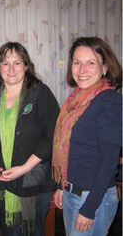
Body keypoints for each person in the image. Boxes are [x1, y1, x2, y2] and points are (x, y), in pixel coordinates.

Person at [0, 42, 60, 236]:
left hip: (34, 180)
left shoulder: (40, 93)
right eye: (5, 63)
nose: (11, 69)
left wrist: (24, 168)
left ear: (26, 66)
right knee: (6, 231)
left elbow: (52, 136)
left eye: (17, 63)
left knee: (34, 231)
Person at [52, 37, 122, 236]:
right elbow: (68, 149)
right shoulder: (75, 100)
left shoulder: (109, 101)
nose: (82, 70)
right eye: (77, 62)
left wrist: (89, 208)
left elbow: (109, 162)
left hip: (93, 198)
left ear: (104, 68)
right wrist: (61, 186)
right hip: (71, 193)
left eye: (91, 63)